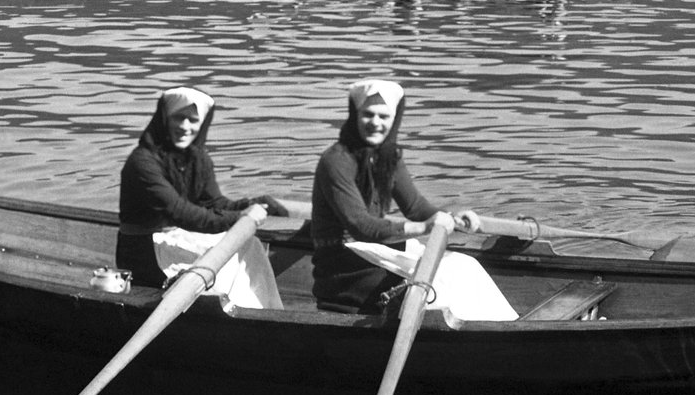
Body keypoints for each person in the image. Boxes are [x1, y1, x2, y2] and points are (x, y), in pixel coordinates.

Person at [116, 85, 287, 294]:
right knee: (223, 275)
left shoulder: (198, 159)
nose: (185, 126)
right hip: (143, 251)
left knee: (251, 245)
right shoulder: (142, 163)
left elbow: (214, 203)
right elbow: (181, 213)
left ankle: (258, 308)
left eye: (193, 120)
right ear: (165, 119)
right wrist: (240, 217)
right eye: (178, 118)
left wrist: (250, 204)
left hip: (177, 238)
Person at [310, 79, 456, 313]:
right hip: (341, 266)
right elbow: (362, 226)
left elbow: (416, 207)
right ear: (355, 116)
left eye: (384, 116)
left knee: (461, 268)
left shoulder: (388, 157)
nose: (375, 123)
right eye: (368, 115)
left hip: (373, 251)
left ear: (394, 119)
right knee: (433, 286)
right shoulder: (336, 160)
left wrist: (453, 218)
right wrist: (423, 227)